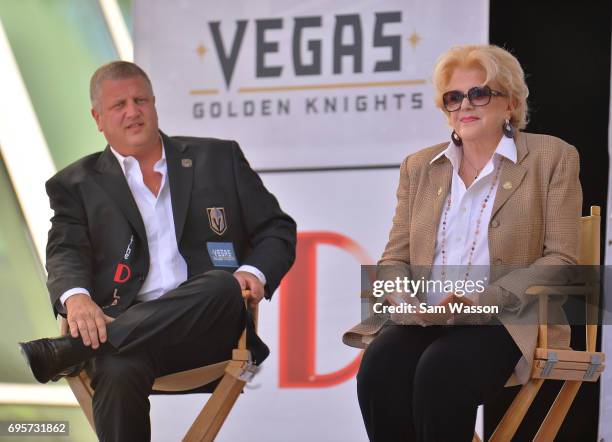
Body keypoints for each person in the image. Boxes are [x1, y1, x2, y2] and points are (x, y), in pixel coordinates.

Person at [19, 61, 296, 441]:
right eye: (119, 105)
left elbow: (276, 229)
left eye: (140, 100)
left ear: (154, 104)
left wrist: (255, 272)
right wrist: (76, 297)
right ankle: (100, 340)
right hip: (131, 342)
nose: (132, 111)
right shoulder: (75, 185)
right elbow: (65, 250)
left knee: (221, 285)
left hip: (209, 330)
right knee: (115, 370)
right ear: (98, 118)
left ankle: (76, 347)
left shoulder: (218, 158)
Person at [343, 44, 581, 441]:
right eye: (453, 97)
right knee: (379, 366)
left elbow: (561, 259)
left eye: (479, 93)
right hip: (427, 315)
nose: (464, 105)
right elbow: (395, 256)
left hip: (506, 318)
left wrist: (486, 298)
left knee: (441, 369)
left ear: (511, 103)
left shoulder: (551, 156)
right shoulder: (419, 167)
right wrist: (400, 294)